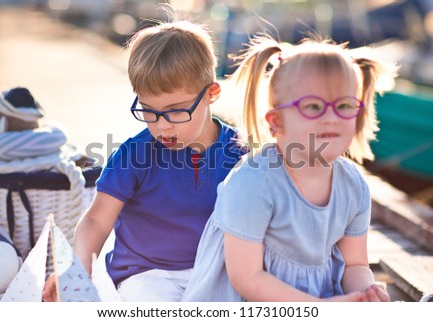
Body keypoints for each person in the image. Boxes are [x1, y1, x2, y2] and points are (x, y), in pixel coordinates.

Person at [43, 19, 246, 302]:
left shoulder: (242, 152)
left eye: (175, 111)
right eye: (149, 111)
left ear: (211, 94)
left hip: (217, 271)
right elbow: (97, 220)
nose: (162, 126)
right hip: (148, 275)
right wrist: (76, 266)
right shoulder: (134, 155)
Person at [182, 35, 398, 302]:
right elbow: (246, 278)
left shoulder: (353, 184)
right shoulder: (254, 183)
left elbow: (355, 264)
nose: (331, 117)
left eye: (344, 106)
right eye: (313, 107)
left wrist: (365, 292)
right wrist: (319, 309)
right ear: (276, 121)